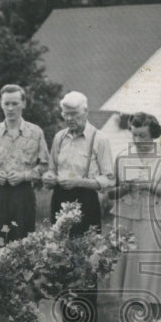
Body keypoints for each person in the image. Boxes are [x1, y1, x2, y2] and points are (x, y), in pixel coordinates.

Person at [109, 112, 161, 322]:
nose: (138, 141)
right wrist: (127, 187)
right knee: (126, 268)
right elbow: (111, 193)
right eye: (134, 135)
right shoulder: (123, 157)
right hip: (125, 218)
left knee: (150, 269)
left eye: (142, 136)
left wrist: (150, 185)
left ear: (154, 135)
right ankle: (135, 318)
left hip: (154, 219)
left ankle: (158, 320)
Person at [0, 84, 49, 245]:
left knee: (24, 242)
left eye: (14, 103)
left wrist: (24, 176)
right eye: (6, 104)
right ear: (1, 104)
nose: (10, 108)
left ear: (23, 104)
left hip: (23, 195)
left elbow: (44, 165)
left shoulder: (35, 132)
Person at [44, 90, 115, 235]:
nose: (69, 118)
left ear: (86, 112)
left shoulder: (100, 139)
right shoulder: (59, 137)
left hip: (86, 199)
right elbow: (52, 169)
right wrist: (49, 177)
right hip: (59, 198)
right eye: (65, 114)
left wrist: (79, 182)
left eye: (74, 114)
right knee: (58, 249)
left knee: (85, 249)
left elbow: (109, 179)